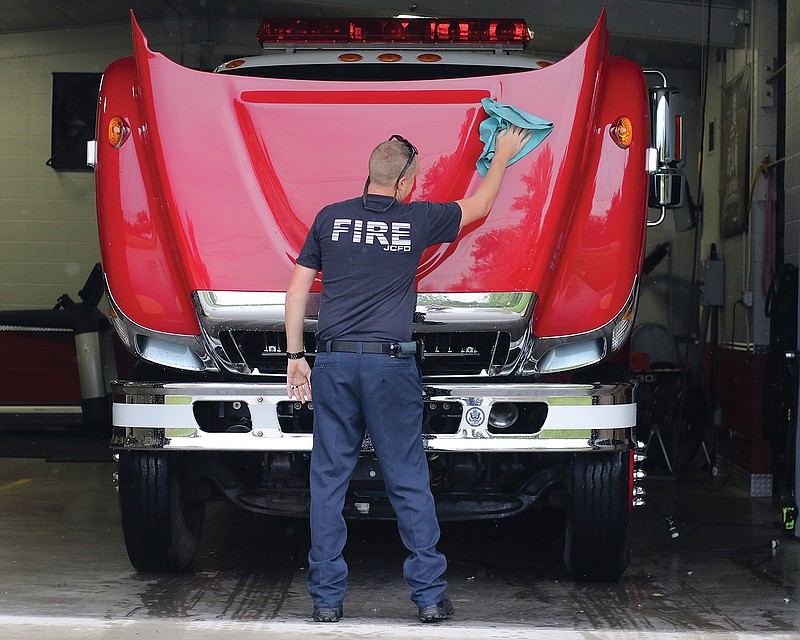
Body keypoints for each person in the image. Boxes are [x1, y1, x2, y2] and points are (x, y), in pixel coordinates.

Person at [284, 126, 531, 623]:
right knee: (407, 480)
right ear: (402, 185)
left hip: (332, 363)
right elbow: (480, 205)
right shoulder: (415, 219)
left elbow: (297, 291)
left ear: (368, 175)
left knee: (329, 482)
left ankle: (327, 601)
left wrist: (295, 356)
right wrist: (503, 152)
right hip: (389, 367)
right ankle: (430, 598)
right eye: (413, 181)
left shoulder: (330, 219)